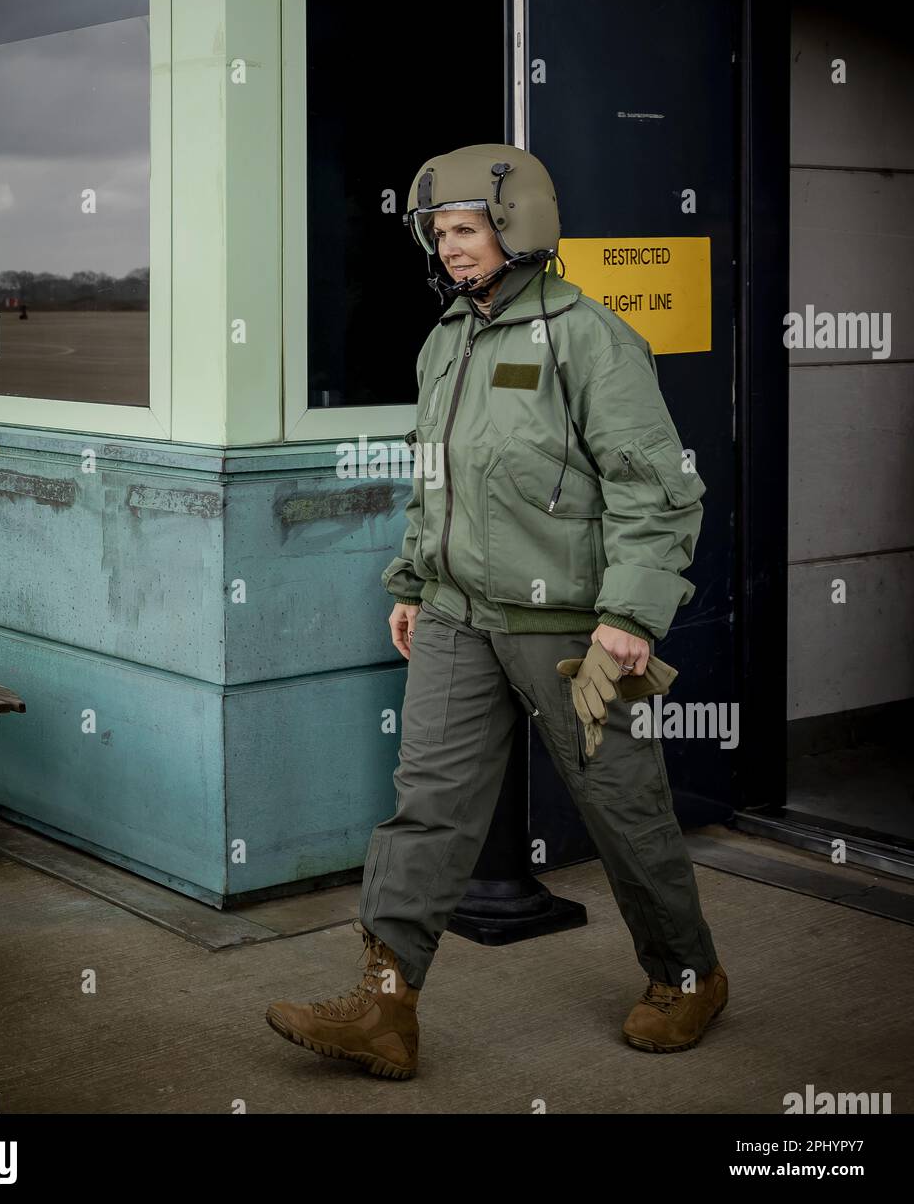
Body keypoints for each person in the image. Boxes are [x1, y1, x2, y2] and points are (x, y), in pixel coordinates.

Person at [266, 143, 727, 1079]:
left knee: (624, 807)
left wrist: (631, 615)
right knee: (425, 812)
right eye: (440, 233)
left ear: (518, 227)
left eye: (466, 229)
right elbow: (433, 481)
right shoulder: (447, 341)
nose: (451, 248)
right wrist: (410, 583)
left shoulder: (588, 339)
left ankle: (688, 977)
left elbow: (661, 490)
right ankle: (386, 1009)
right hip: (455, 617)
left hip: (574, 629)